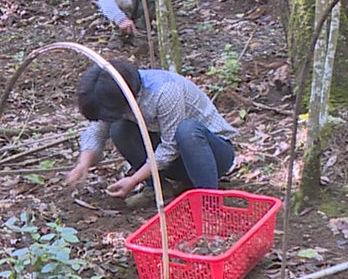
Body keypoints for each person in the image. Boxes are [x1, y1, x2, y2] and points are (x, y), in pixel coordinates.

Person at [65, 59, 236, 207]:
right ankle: (158, 188)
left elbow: (170, 146)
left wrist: (133, 180)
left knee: (187, 130)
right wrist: (83, 165)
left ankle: (209, 202)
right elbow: (97, 130)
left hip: (212, 157)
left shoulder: (165, 91)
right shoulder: (117, 94)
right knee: (119, 128)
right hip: (176, 164)